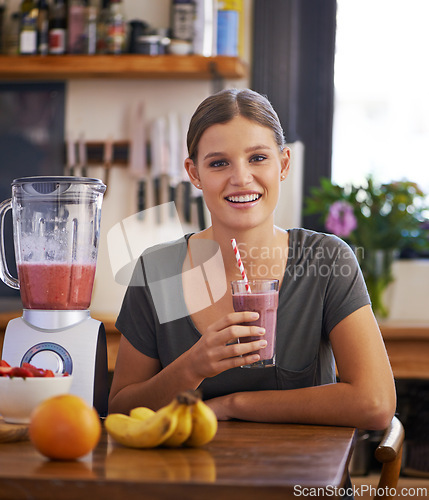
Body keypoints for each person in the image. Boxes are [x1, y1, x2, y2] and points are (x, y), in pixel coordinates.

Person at [108, 88, 396, 430]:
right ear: (195, 173)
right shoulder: (157, 271)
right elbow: (120, 410)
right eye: (218, 163)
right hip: (187, 479)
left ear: (283, 164)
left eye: (258, 158)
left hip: (301, 481)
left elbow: (375, 403)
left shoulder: (327, 261)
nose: (241, 178)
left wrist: (233, 404)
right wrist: (193, 367)